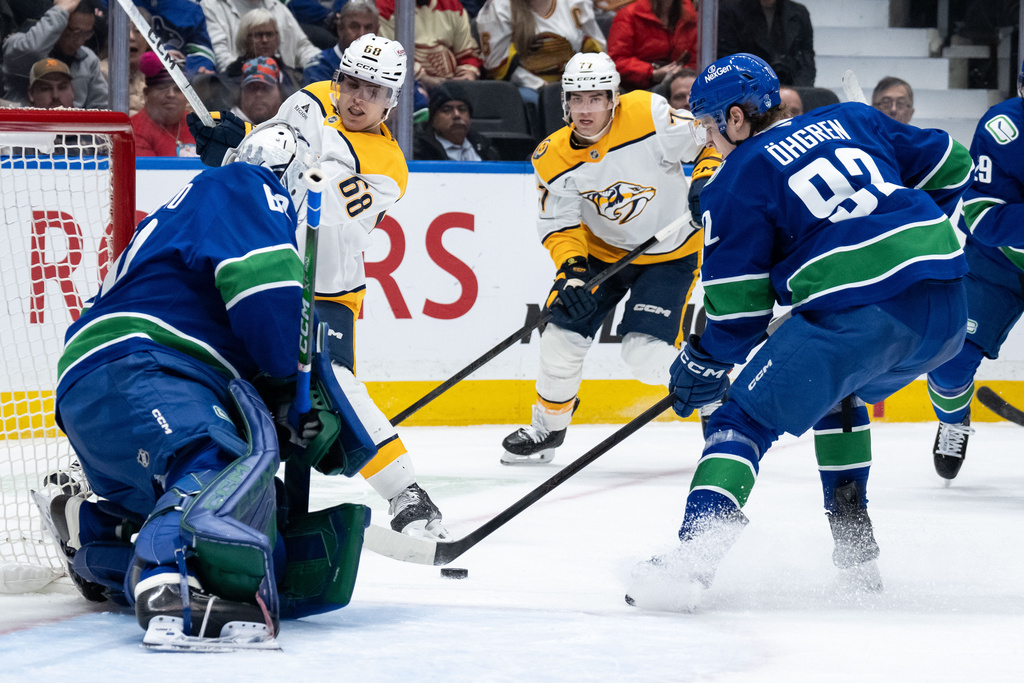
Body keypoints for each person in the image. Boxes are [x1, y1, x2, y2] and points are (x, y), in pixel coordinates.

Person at [625, 53, 974, 612]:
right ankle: (855, 549)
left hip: (861, 318)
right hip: (948, 305)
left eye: (712, 127)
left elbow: (737, 319)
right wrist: (905, 236)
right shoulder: (853, 119)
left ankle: (693, 559)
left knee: (741, 419)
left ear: (737, 118)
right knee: (837, 393)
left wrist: (700, 360)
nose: (711, 141)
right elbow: (956, 166)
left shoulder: (736, 179)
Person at [46, 120, 372, 646]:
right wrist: (291, 382)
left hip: (101, 384)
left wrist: (275, 401)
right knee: (218, 471)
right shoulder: (247, 185)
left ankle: (91, 531)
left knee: (247, 508)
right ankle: (169, 586)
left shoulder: (195, 202)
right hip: (150, 366)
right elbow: (267, 293)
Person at [187, 34, 450, 540]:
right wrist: (228, 143)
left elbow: (315, 201)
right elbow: (259, 159)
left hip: (327, 291)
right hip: (264, 271)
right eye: (351, 83)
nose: (357, 98)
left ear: (392, 101)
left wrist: (253, 155)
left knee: (334, 383)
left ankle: (406, 492)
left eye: (372, 91)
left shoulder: (386, 167)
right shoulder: (306, 99)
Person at [500, 52, 705, 465]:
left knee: (644, 354)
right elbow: (560, 223)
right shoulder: (551, 156)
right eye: (577, 99)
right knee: (559, 337)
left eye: (596, 99)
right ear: (565, 103)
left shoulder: (649, 114)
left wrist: (705, 179)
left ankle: (718, 397)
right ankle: (549, 429)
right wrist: (571, 273)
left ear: (614, 98)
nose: (586, 109)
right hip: (602, 256)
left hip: (670, 252)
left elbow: (708, 138)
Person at [926, 65, 1024, 481]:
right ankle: (953, 421)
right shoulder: (1004, 128)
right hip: (999, 264)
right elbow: (982, 215)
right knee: (949, 362)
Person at [476, 0, 605, 89]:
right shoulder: (498, 7)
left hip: (576, 82)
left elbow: (596, 49)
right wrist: (539, 85)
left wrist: (581, 81)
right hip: (525, 89)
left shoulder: (575, 2)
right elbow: (496, 68)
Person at [1, 0, 108, 108]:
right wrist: (60, 11)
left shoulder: (88, 60)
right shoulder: (18, 45)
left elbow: (102, 108)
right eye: (75, 32)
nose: (80, 41)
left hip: (70, 123)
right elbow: (33, 50)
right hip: (24, 121)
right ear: (59, 25)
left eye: (86, 33)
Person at [377, 0, 481, 91]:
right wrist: (423, 78)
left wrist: (468, 73)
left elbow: (468, 54)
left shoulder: (452, 5)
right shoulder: (386, 6)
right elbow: (389, 55)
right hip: (408, 87)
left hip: (451, 89)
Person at [202, 0, 319, 75]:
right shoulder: (212, 5)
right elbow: (222, 59)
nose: (264, 40)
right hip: (237, 83)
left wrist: (323, 65)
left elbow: (303, 48)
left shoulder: (277, 6)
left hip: (284, 81)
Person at [718, 0, 815, 86]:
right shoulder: (730, 11)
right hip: (749, 94)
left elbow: (807, 65)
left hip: (791, 94)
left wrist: (793, 95)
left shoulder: (799, 13)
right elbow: (729, 64)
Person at [606, 0, 697, 91]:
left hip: (681, 85)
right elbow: (616, 61)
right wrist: (652, 73)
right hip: (637, 88)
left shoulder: (692, 16)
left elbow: (697, 61)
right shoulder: (629, 15)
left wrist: (681, 72)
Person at [131, 51, 196, 156]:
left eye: (178, 90)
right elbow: (149, 171)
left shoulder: (195, 124)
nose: (171, 94)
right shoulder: (135, 130)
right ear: (146, 93)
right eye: (162, 88)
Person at [413, 84, 500, 161]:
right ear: (432, 119)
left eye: (462, 109)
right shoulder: (418, 152)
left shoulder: (486, 149)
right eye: (446, 110)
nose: (457, 115)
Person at [302, 0, 379, 84]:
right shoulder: (319, 68)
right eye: (354, 27)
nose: (361, 34)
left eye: (368, 27)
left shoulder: (386, 67)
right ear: (340, 28)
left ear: (377, 30)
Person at [231, 56, 283, 125]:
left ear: (279, 91)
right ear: (241, 93)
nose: (259, 94)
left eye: (265, 87)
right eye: (251, 87)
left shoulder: (293, 124)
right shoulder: (227, 128)